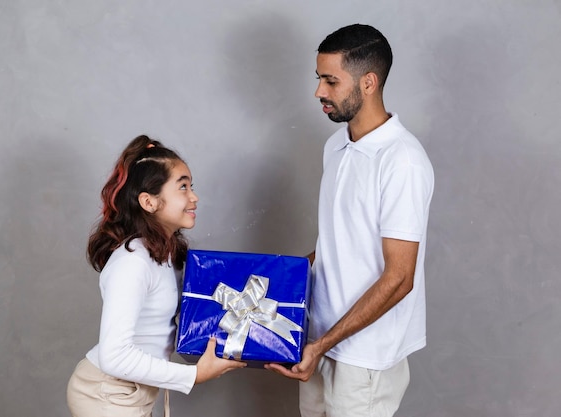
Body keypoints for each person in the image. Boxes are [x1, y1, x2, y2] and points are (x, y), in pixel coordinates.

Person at [265, 24, 434, 417]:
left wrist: (321, 345)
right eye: (319, 79)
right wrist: (271, 278)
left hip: (365, 357)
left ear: (369, 82)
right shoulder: (336, 146)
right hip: (319, 341)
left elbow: (399, 278)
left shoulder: (402, 161)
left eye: (331, 81)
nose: (319, 92)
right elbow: (336, 245)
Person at [66, 135, 246, 417]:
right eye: (183, 187)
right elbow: (114, 356)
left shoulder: (165, 254)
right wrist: (194, 376)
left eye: (192, 186)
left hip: (134, 391)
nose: (194, 197)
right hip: (106, 393)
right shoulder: (133, 262)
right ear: (149, 202)